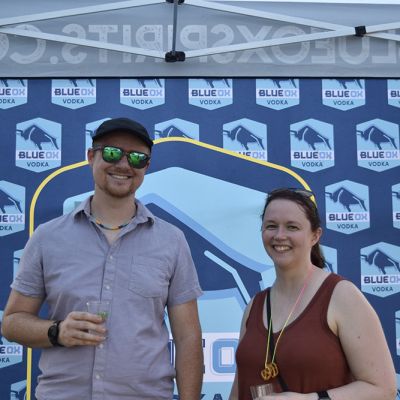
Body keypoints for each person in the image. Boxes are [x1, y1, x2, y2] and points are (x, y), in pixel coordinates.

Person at [1, 117, 204, 400]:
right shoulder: (47, 237)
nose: (123, 164)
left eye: (136, 158)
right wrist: (56, 332)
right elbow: (11, 323)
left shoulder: (171, 241)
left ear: (147, 167)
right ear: (90, 157)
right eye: (111, 153)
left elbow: (188, 338)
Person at [229, 188, 397, 400]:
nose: (280, 235)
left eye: (292, 227)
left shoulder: (341, 295)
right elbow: (238, 389)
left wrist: (310, 399)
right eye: (271, 226)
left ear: (315, 235)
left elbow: (383, 389)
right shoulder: (255, 305)